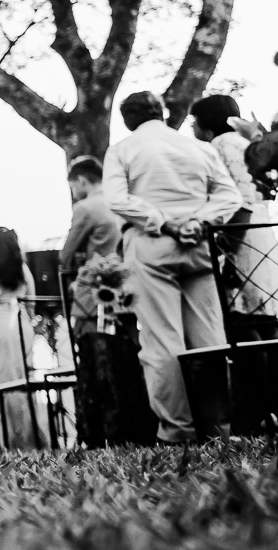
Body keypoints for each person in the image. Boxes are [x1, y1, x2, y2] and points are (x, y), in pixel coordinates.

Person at [104, 91, 242, 444]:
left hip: (150, 248)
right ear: (161, 114)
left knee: (161, 342)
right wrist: (197, 221)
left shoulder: (123, 149)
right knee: (210, 340)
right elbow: (230, 197)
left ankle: (177, 432)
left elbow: (118, 200)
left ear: (127, 120)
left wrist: (164, 223)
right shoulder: (199, 148)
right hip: (200, 247)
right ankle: (218, 430)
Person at [190, 94, 278, 317]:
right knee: (261, 308)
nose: (191, 127)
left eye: (194, 121)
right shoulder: (243, 142)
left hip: (239, 230)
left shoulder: (221, 144)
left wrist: (228, 253)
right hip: (257, 225)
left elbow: (242, 196)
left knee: (241, 314)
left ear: (207, 127)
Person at [0, 227, 43, 450]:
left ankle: (10, 442)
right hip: (22, 323)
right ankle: (31, 437)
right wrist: (29, 323)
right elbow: (31, 301)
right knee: (24, 379)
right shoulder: (23, 268)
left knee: (2, 383)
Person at [60, 156, 122, 273]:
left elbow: (66, 255)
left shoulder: (84, 208)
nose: (73, 193)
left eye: (73, 187)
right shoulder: (121, 201)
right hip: (127, 275)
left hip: (100, 278)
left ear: (82, 180)